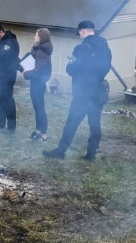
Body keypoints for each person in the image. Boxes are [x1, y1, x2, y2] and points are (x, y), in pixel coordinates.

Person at [43, 20, 112, 161]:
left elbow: (70, 69)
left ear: (83, 31)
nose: (80, 36)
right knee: (95, 124)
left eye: (80, 33)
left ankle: (61, 151)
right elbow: (106, 68)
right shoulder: (105, 47)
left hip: (83, 93)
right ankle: (91, 154)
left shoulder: (80, 49)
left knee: (72, 123)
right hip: (98, 91)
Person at [22, 28, 53, 142]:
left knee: (40, 109)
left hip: (38, 83)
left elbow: (38, 71)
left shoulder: (41, 52)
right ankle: (38, 132)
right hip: (37, 82)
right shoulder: (40, 49)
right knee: (38, 108)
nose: (34, 37)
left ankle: (43, 135)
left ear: (41, 38)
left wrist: (26, 73)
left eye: (36, 35)